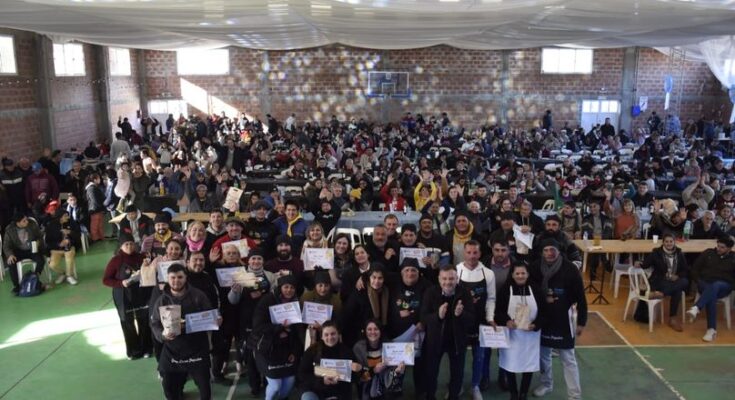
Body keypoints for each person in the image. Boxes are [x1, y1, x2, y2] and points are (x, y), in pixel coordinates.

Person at [529, 239, 587, 400]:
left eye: (552, 250)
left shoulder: (570, 269)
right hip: (542, 318)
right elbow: (530, 289)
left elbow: (581, 297)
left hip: (563, 319)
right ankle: (547, 384)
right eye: (546, 250)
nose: (549, 253)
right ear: (542, 252)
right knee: (543, 355)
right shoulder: (534, 268)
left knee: (568, 358)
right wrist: (542, 298)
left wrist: (582, 321)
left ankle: (575, 395)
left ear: (559, 251)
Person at [150, 263, 216, 400]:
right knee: (169, 386)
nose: (176, 281)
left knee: (205, 389)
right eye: (172, 277)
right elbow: (155, 323)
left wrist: (215, 320)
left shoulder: (198, 296)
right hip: (173, 349)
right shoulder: (162, 300)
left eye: (180, 277)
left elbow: (209, 314)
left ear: (186, 277)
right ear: (167, 279)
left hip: (197, 348)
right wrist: (162, 335)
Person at [421, 265, 475, 400]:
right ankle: (430, 396)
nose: (447, 282)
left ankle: (453, 396)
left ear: (457, 279)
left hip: (457, 341)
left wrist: (461, 314)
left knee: (457, 374)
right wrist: (437, 316)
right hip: (435, 340)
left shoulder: (465, 293)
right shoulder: (430, 292)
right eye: (444, 278)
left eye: (451, 278)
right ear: (439, 279)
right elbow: (423, 318)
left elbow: (472, 320)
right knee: (431, 373)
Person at [494, 264, 547, 400]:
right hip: (511, 335)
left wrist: (536, 325)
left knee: (528, 365)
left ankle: (523, 393)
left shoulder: (536, 289)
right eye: (517, 273)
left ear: (528, 274)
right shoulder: (506, 290)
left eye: (523, 273)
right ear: (512, 275)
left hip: (531, 336)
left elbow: (544, 311)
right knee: (510, 364)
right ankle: (513, 392)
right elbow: (498, 311)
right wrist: (506, 321)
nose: (520, 276)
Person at [252, 274, 304, 400]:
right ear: (280, 287)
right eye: (286, 287)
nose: (289, 290)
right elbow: (258, 327)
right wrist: (279, 328)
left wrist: (295, 352)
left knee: (290, 381)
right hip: (267, 348)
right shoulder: (267, 300)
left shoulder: (297, 304)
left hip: (287, 349)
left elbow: (298, 333)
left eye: (292, 287)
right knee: (275, 385)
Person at [102, 233, 153, 359]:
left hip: (141, 293)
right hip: (123, 294)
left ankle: (146, 348)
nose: (129, 246)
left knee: (144, 320)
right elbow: (106, 280)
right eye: (126, 244)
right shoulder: (115, 261)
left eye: (131, 244)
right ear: (121, 246)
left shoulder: (141, 257)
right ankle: (133, 350)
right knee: (127, 322)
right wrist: (120, 283)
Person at [456, 240, 495, 400]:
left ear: (480, 254)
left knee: (479, 357)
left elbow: (491, 298)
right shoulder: (456, 271)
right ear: (464, 253)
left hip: (481, 323)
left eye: (475, 253)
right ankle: (456, 386)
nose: (472, 256)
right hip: (461, 323)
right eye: (469, 252)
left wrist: (490, 318)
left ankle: (475, 386)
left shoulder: (488, 273)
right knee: (458, 357)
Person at [635, 233, 689, 332]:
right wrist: (639, 263)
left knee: (684, 281)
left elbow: (685, 269)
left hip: (674, 281)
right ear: (663, 242)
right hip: (659, 280)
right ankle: (672, 318)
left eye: (671, 241)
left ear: (674, 242)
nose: (669, 244)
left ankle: (660, 294)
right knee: (677, 290)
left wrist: (677, 276)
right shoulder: (656, 252)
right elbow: (646, 264)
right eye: (666, 241)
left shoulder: (679, 253)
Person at [687, 235, 735, 342]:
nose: (718, 249)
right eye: (718, 246)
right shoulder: (708, 253)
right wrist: (698, 281)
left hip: (724, 286)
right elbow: (694, 269)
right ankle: (711, 330)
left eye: (722, 247)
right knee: (711, 293)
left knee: (716, 285)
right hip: (704, 283)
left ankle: (697, 307)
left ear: (729, 248)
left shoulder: (733, 258)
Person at [298, 321, 359, 400]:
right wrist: (321, 380)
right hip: (314, 389)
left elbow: (355, 378)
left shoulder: (347, 352)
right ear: (321, 336)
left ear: (338, 334)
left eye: (333, 334)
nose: (330, 337)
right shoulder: (312, 351)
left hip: (339, 391)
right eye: (326, 335)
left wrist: (355, 371)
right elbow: (302, 374)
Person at [353, 319, 406, 399]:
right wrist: (374, 370)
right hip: (367, 389)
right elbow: (359, 379)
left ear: (380, 331)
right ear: (365, 331)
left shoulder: (390, 346)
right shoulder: (359, 348)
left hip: (386, 388)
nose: (373, 332)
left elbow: (393, 378)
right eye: (369, 329)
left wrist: (398, 372)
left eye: (376, 329)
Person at [341, 267, 391, 348]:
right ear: (369, 278)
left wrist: (363, 276)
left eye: (380, 278)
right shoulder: (360, 292)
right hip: (361, 338)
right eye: (374, 277)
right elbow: (347, 317)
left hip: (381, 336)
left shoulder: (386, 291)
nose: (376, 281)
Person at [3, 213, 47, 294]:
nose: (27, 221)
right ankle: (16, 286)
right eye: (24, 221)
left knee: (40, 260)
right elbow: (6, 245)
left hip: (32, 249)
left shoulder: (32, 224)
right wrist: (10, 255)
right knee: (11, 262)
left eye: (26, 219)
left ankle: (34, 277)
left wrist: (38, 242)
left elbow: (40, 236)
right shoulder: (10, 230)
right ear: (18, 223)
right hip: (18, 250)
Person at [45, 209, 81, 286]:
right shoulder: (51, 226)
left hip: (69, 247)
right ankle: (62, 273)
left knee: (69, 254)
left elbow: (78, 235)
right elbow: (48, 241)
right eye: (65, 216)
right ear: (60, 217)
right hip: (56, 249)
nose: (67, 217)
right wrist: (58, 244)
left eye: (67, 215)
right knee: (52, 265)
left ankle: (69, 275)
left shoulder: (71, 223)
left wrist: (70, 232)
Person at [85, 172, 107, 243]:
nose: (100, 180)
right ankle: (95, 238)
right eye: (98, 178)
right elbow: (94, 200)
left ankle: (100, 236)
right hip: (95, 209)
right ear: (95, 179)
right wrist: (101, 206)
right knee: (95, 224)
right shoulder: (91, 188)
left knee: (100, 224)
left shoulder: (93, 187)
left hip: (98, 208)